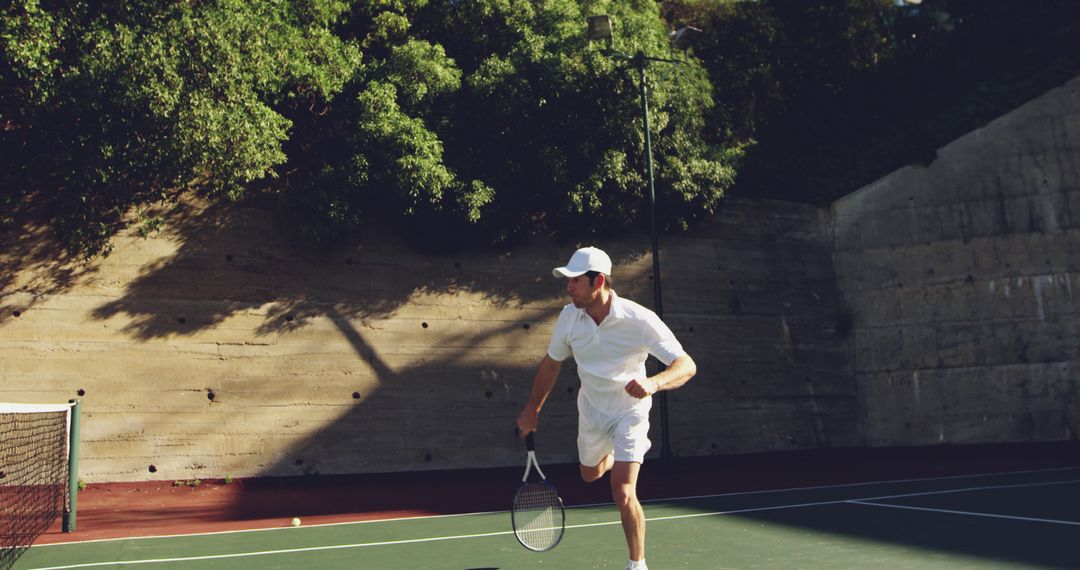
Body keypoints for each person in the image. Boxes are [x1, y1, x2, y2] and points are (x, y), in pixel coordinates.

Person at [516, 246, 697, 570]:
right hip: (592, 409)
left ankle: (637, 563)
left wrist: (653, 383)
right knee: (589, 475)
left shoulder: (639, 319)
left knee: (623, 490)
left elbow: (686, 365)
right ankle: (612, 456)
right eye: (568, 280)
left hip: (631, 411)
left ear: (597, 281)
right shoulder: (569, 317)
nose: (568, 287)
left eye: (574, 281)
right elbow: (550, 365)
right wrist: (532, 410)